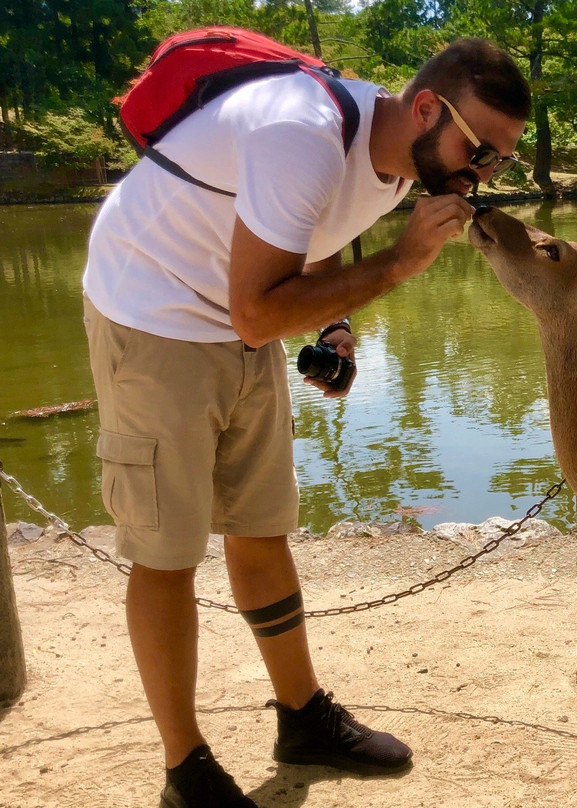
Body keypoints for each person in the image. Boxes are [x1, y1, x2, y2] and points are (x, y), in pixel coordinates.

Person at [81, 37, 531, 808]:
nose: (483, 173)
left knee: (260, 527)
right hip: (153, 312)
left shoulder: (399, 153)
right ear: (427, 108)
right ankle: (186, 768)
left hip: (237, 315)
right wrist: (399, 262)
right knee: (167, 552)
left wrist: (333, 327)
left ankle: (302, 719)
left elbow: (316, 229)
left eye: (500, 161)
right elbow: (259, 312)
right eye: (479, 150)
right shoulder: (303, 134)